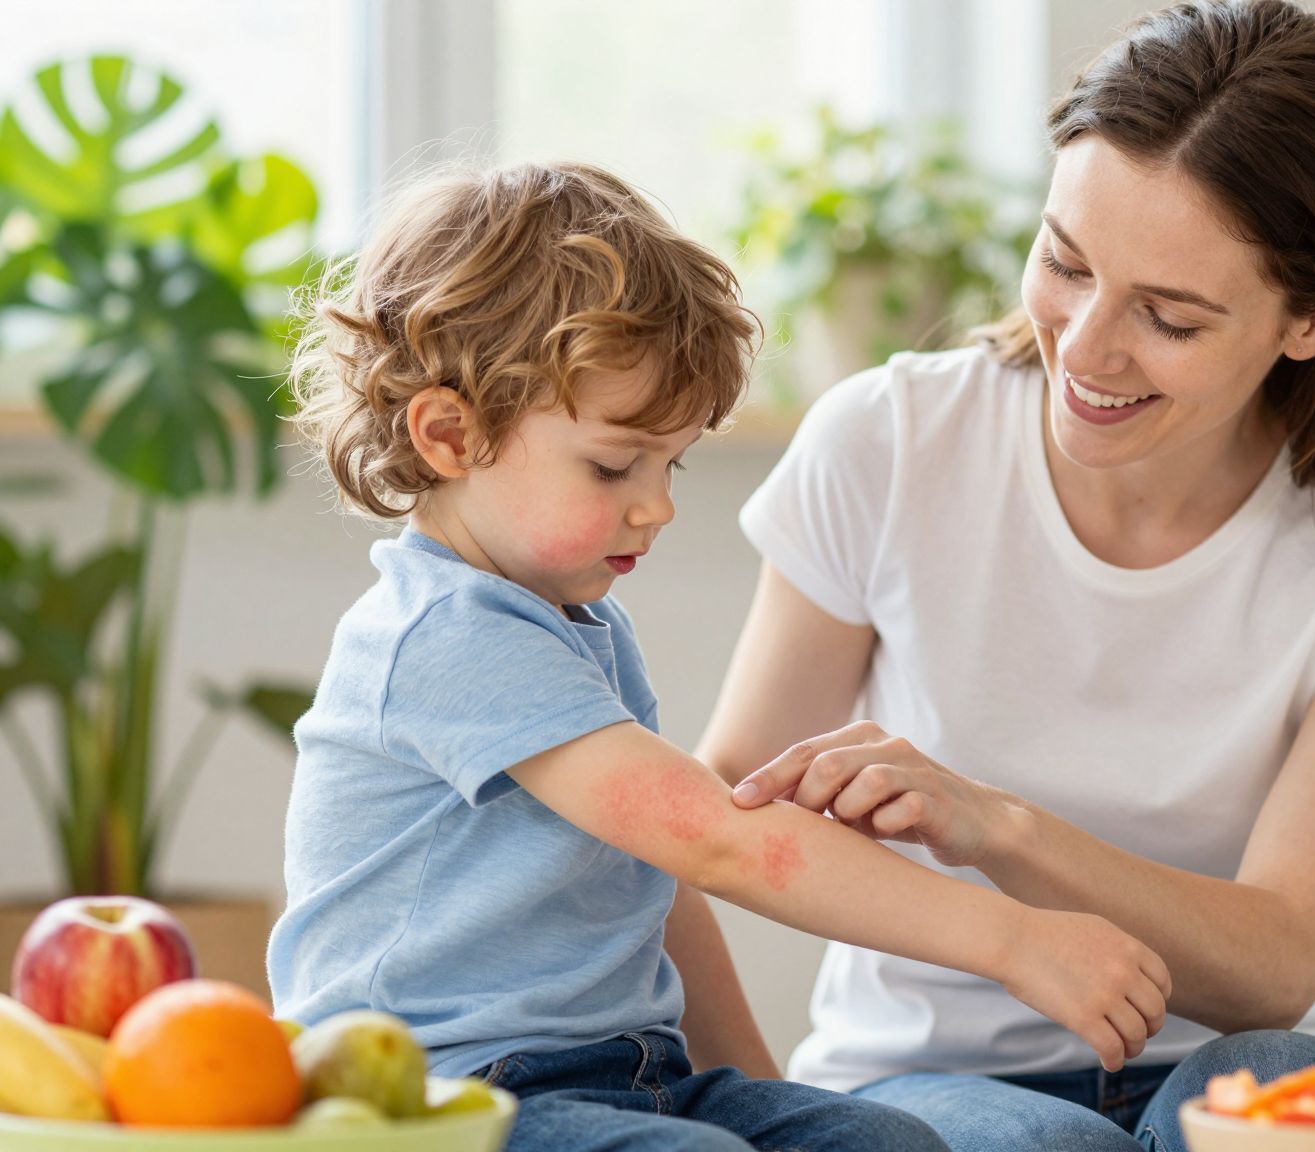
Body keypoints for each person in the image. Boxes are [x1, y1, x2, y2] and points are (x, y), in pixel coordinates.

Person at [692, 3, 1315, 1149]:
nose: (1082, 347)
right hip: (926, 1076)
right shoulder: (891, 438)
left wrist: (999, 832)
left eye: (1167, 317)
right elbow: (723, 809)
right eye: (1063, 262)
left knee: (1278, 1100)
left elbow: (1277, 963)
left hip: (1233, 1049)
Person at [270, 160, 1170, 1152]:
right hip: (447, 1098)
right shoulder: (443, 634)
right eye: (615, 466)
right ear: (449, 434)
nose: (655, 505)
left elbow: (662, 883)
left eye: (671, 464)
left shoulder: (576, 626)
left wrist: (772, 1100)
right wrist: (1011, 938)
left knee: (882, 1145)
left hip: (624, 1073)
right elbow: (718, 838)